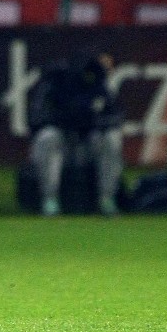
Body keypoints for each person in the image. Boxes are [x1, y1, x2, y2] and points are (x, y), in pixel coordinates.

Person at [27, 51, 124, 216]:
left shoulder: (98, 84)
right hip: (61, 143)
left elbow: (115, 116)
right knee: (48, 137)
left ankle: (107, 199)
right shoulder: (55, 82)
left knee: (111, 139)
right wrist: (66, 119)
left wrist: (91, 122)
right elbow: (35, 119)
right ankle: (50, 200)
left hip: (86, 144)